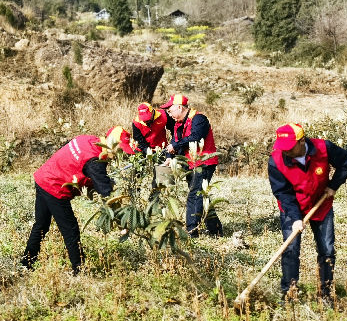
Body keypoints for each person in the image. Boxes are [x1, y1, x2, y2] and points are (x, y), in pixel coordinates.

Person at [20, 126, 133, 274]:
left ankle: (25, 263)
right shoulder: (95, 161)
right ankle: (80, 270)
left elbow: (81, 166)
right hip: (55, 187)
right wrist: (122, 220)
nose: (121, 153)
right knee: (70, 230)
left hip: (43, 177)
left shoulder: (89, 140)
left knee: (41, 225)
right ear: (112, 145)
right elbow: (106, 192)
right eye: (121, 149)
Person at [268, 123, 347, 302]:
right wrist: (296, 218)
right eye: (283, 148)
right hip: (292, 208)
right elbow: (283, 192)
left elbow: (345, 161)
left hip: (321, 205)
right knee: (290, 249)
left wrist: (333, 185)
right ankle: (289, 294)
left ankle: (326, 294)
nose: (286, 152)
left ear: (302, 141)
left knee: (327, 249)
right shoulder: (276, 160)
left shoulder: (324, 148)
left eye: (290, 148)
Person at [161, 94, 222, 237]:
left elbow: (196, 137)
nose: (169, 114)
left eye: (170, 110)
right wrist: (170, 157)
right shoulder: (177, 124)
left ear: (179, 107)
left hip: (203, 162)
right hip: (189, 162)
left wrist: (175, 145)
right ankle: (216, 230)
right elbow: (175, 142)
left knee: (194, 195)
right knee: (201, 195)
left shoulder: (199, 119)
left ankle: (192, 231)